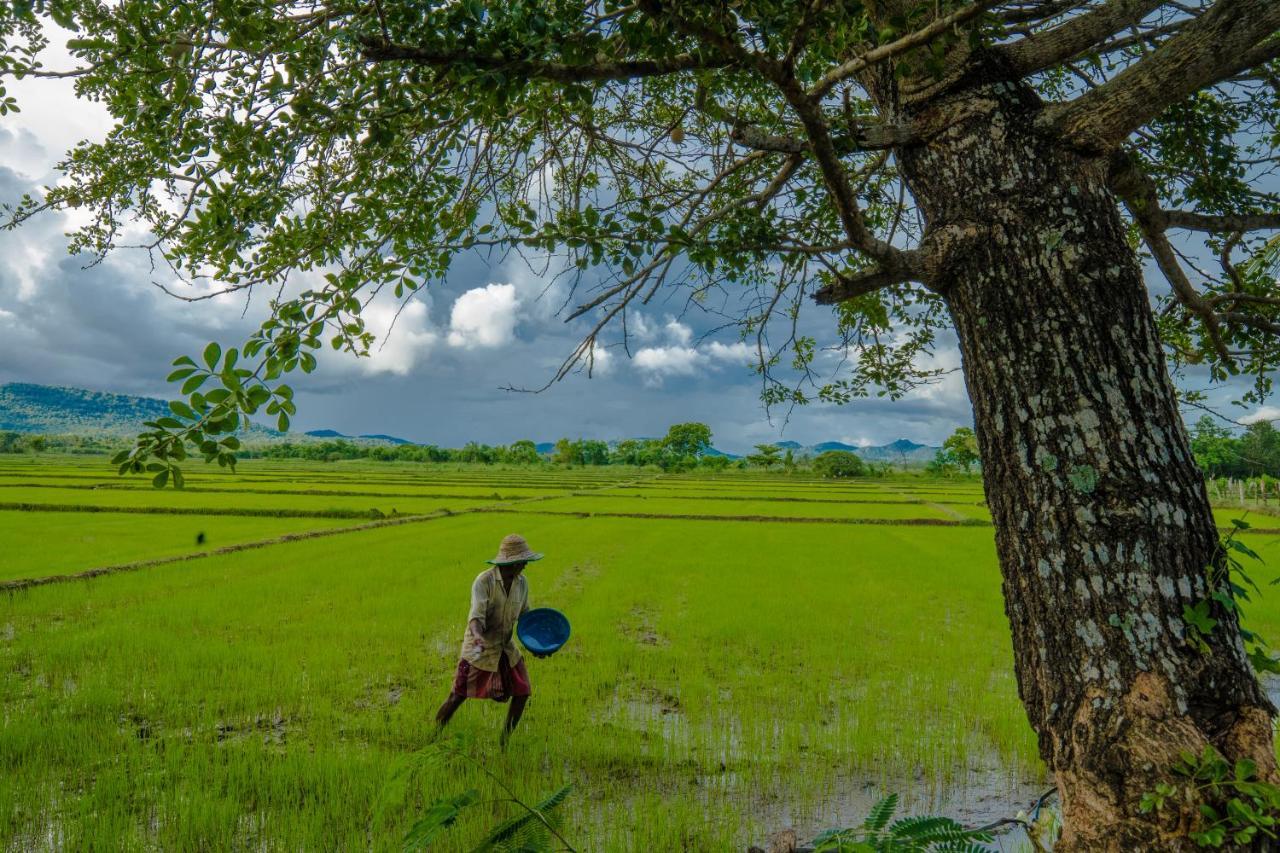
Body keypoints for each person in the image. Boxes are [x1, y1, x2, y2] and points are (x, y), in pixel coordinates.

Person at [435, 533, 541, 745]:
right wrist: (477, 636)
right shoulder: (484, 581)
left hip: (505, 646)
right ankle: (433, 735)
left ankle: (504, 741)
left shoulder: (522, 583)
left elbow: (525, 617)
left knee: (523, 690)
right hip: (480, 647)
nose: (526, 565)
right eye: (523, 561)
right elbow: (476, 617)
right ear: (512, 562)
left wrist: (538, 643)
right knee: (458, 695)